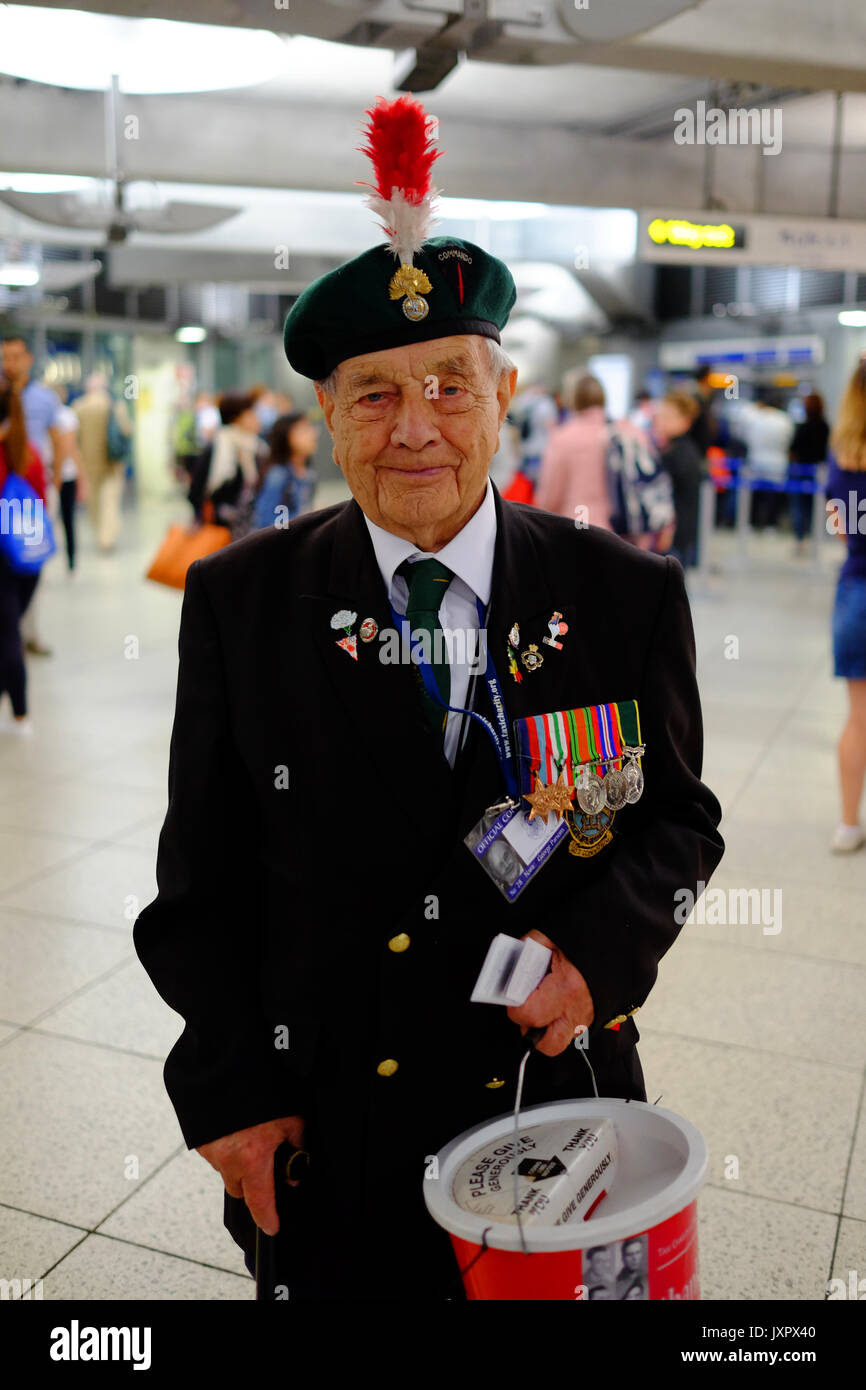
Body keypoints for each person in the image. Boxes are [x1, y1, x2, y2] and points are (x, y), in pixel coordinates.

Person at [133, 95, 724, 1302]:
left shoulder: (621, 594)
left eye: (450, 386)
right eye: (374, 393)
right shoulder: (243, 603)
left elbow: (678, 825)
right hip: (334, 1123)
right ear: (327, 419)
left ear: (504, 396)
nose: (416, 429)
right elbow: (199, 888)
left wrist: (597, 953)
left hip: (555, 1105)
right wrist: (233, 1096)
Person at [0, 336, 69, 655]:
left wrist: (55, 484)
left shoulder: (43, 398)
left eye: (16, 357)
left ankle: (28, 633)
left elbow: (57, 439)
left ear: (28, 358)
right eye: (5, 358)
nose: (10, 363)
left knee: (29, 560)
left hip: (31, 492)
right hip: (5, 488)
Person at [826, 359, 866, 853]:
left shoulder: (843, 454)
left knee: (858, 717)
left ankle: (848, 824)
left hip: (857, 590)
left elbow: (841, 528)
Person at [0, 381, 48, 733]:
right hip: (28, 559)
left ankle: (21, 714)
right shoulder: (27, 451)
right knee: (9, 630)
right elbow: (41, 505)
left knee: (6, 637)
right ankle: (20, 715)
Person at [535, 374, 614, 529]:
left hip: (579, 524)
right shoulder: (624, 431)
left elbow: (549, 496)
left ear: (571, 397)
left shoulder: (564, 438)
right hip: (624, 531)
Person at [72, 373, 131, 553]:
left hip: (87, 462)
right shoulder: (115, 405)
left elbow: (74, 437)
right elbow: (126, 430)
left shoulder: (79, 406)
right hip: (112, 463)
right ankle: (107, 537)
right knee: (110, 500)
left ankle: (100, 533)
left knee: (94, 500)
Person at [203, 391, 266, 540]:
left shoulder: (258, 447)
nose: (257, 418)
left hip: (250, 529)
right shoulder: (219, 446)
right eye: (252, 413)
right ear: (237, 418)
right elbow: (197, 490)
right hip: (222, 531)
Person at [655, 391, 704, 570]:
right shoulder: (678, 449)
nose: (661, 420)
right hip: (680, 533)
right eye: (661, 415)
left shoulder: (678, 454)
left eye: (668, 417)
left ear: (685, 422)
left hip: (674, 535)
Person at [739, 388, 795, 532]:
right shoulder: (785, 419)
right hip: (777, 461)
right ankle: (771, 524)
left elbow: (745, 435)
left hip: (756, 458)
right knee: (772, 496)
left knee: (754, 495)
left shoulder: (757, 417)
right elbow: (789, 440)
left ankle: (751, 522)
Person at [253, 412, 318, 530]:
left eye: (310, 428)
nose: (312, 434)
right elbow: (266, 522)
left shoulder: (309, 474)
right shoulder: (278, 475)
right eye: (303, 431)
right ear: (286, 437)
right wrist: (307, 516)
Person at [788, 392, 830, 556]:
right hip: (818, 471)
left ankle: (801, 539)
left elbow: (793, 449)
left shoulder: (803, 426)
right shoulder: (825, 426)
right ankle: (813, 538)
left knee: (799, 507)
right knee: (814, 507)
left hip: (801, 470)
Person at [53, 384, 83, 573]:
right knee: (68, 519)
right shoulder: (66, 415)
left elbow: (70, 447)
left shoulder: (64, 416)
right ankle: (71, 558)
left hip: (59, 475)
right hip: (64, 475)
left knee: (61, 518)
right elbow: (71, 447)